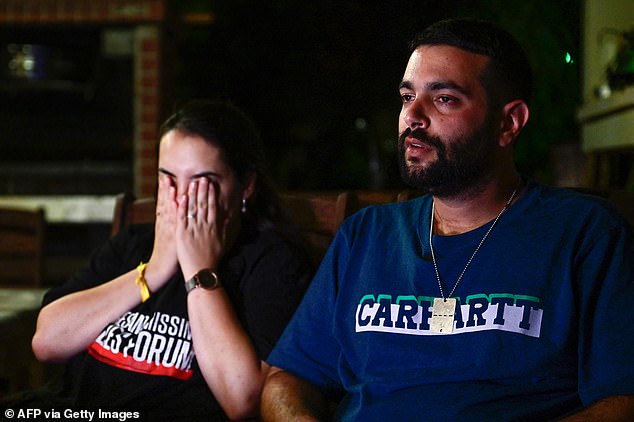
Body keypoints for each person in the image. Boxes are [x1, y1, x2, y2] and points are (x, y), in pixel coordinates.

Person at [261, 18, 634, 421]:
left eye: (444, 99)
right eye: (407, 97)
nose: (412, 117)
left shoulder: (584, 232)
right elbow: (287, 378)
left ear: (508, 123)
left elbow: (622, 400)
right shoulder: (366, 234)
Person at [8, 100, 313, 420]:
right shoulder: (134, 243)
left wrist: (199, 269)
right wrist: (152, 272)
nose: (181, 200)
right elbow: (46, 341)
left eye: (201, 184)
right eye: (169, 180)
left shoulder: (272, 264)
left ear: (245, 186)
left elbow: (243, 401)